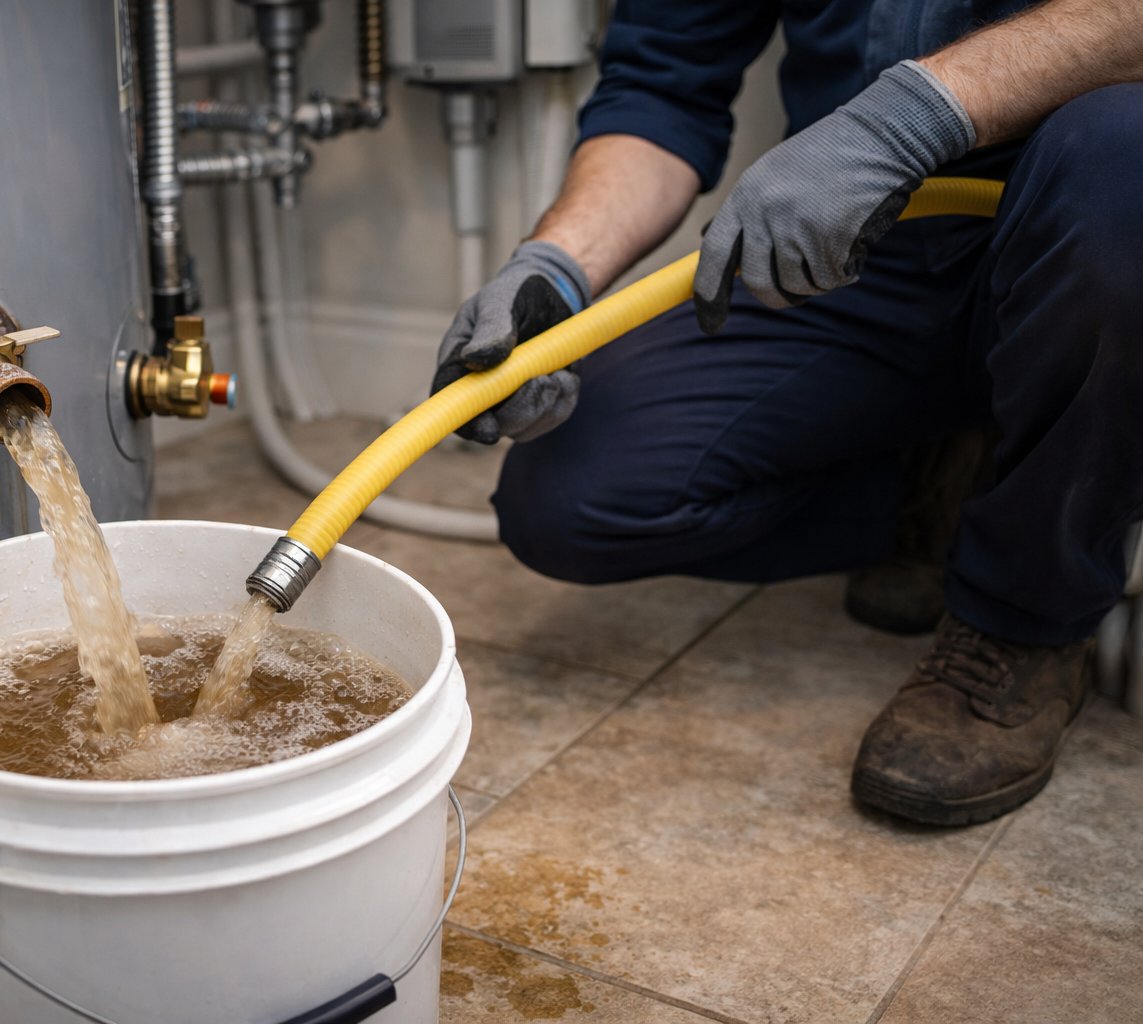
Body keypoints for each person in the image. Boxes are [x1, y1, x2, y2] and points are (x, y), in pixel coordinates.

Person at [434, 0, 1143, 826]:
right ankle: (938, 491)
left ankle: (1025, 618)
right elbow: (663, 83)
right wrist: (556, 268)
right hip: (858, 251)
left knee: (1122, 156)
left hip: (1082, 229)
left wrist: (909, 117)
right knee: (567, 497)